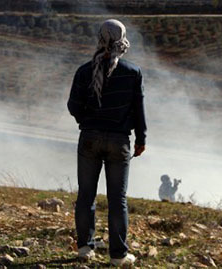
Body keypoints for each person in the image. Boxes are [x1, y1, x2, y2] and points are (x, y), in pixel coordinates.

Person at [67, 19, 147, 267]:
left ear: (100, 38)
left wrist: (87, 121)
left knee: (86, 196)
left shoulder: (83, 71)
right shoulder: (133, 72)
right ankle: (118, 256)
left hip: (89, 138)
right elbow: (138, 109)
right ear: (122, 40)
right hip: (119, 140)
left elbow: (73, 106)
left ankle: (84, 248)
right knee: (117, 199)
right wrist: (141, 138)